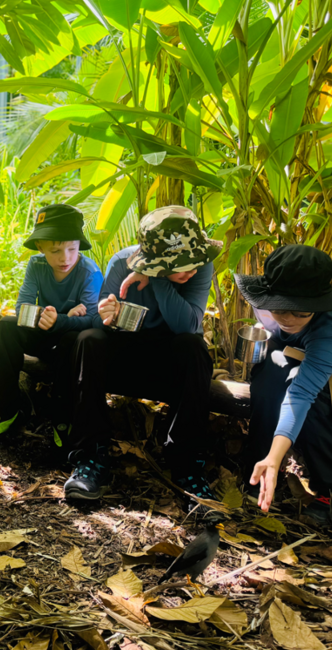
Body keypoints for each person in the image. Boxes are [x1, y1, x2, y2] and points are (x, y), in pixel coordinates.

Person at [63, 206, 222, 510]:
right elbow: (99, 321)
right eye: (179, 265)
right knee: (88, 340)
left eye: (192, 261)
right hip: (125, 359)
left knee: (194, 347)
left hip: (170, 364)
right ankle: (91, 456)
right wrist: (109, 314)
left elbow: (188, 325)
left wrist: (158, 278)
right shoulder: (122, 263)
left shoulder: (201, 267)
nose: (190, 270)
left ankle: (186, 465)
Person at [236, 245, 332, 525]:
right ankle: (261, 469)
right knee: (265, 382)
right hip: (296, 355)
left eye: (301, 313)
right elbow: (278, 339)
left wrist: (278, 455)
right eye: (280, 309)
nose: (288, 319)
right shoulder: (262, 300)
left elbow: (301, 393)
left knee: (318, 401)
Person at [0, 204, 102, 447]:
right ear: (40, 247)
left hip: (68, 346)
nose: (64, 258)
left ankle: (63, 418)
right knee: (6, 326)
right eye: (55, 250)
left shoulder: (89, 272)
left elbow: (95, 320)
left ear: (79, 246)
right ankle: (7, 411)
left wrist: (62, 320)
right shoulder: (37, 265)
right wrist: (54, 316)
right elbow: (22, 306)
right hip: (43, 332)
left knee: (74, 336)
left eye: (71, 249)